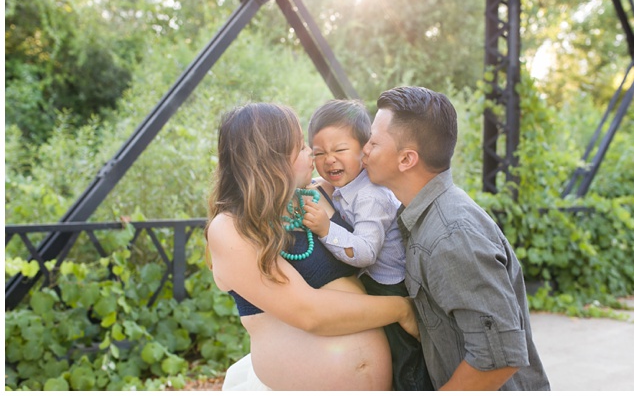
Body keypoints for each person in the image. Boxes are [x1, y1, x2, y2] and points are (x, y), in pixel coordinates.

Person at [205, 102, 417, 391]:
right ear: (272, 156)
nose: (312, 155)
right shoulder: (230, 228)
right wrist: (401, 308)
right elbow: (310, 313)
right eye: (303, 147)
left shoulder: (318, 195)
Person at [362, 86, 551, 391]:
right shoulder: (423, 216)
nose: (364, 149)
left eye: (373, 141)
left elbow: (499, 358)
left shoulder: (451, 236)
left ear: (407, 159)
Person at [303, 99, 433, 391]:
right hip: (374, 282)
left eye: (339, 150)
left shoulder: (371, 195)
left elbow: (365, 253)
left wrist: (326, 229)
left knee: (403, 363)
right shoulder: (341, 184)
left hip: (391, 284)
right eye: (319, 152)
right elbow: (320, 182)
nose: (329, 160)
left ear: (364, 151)